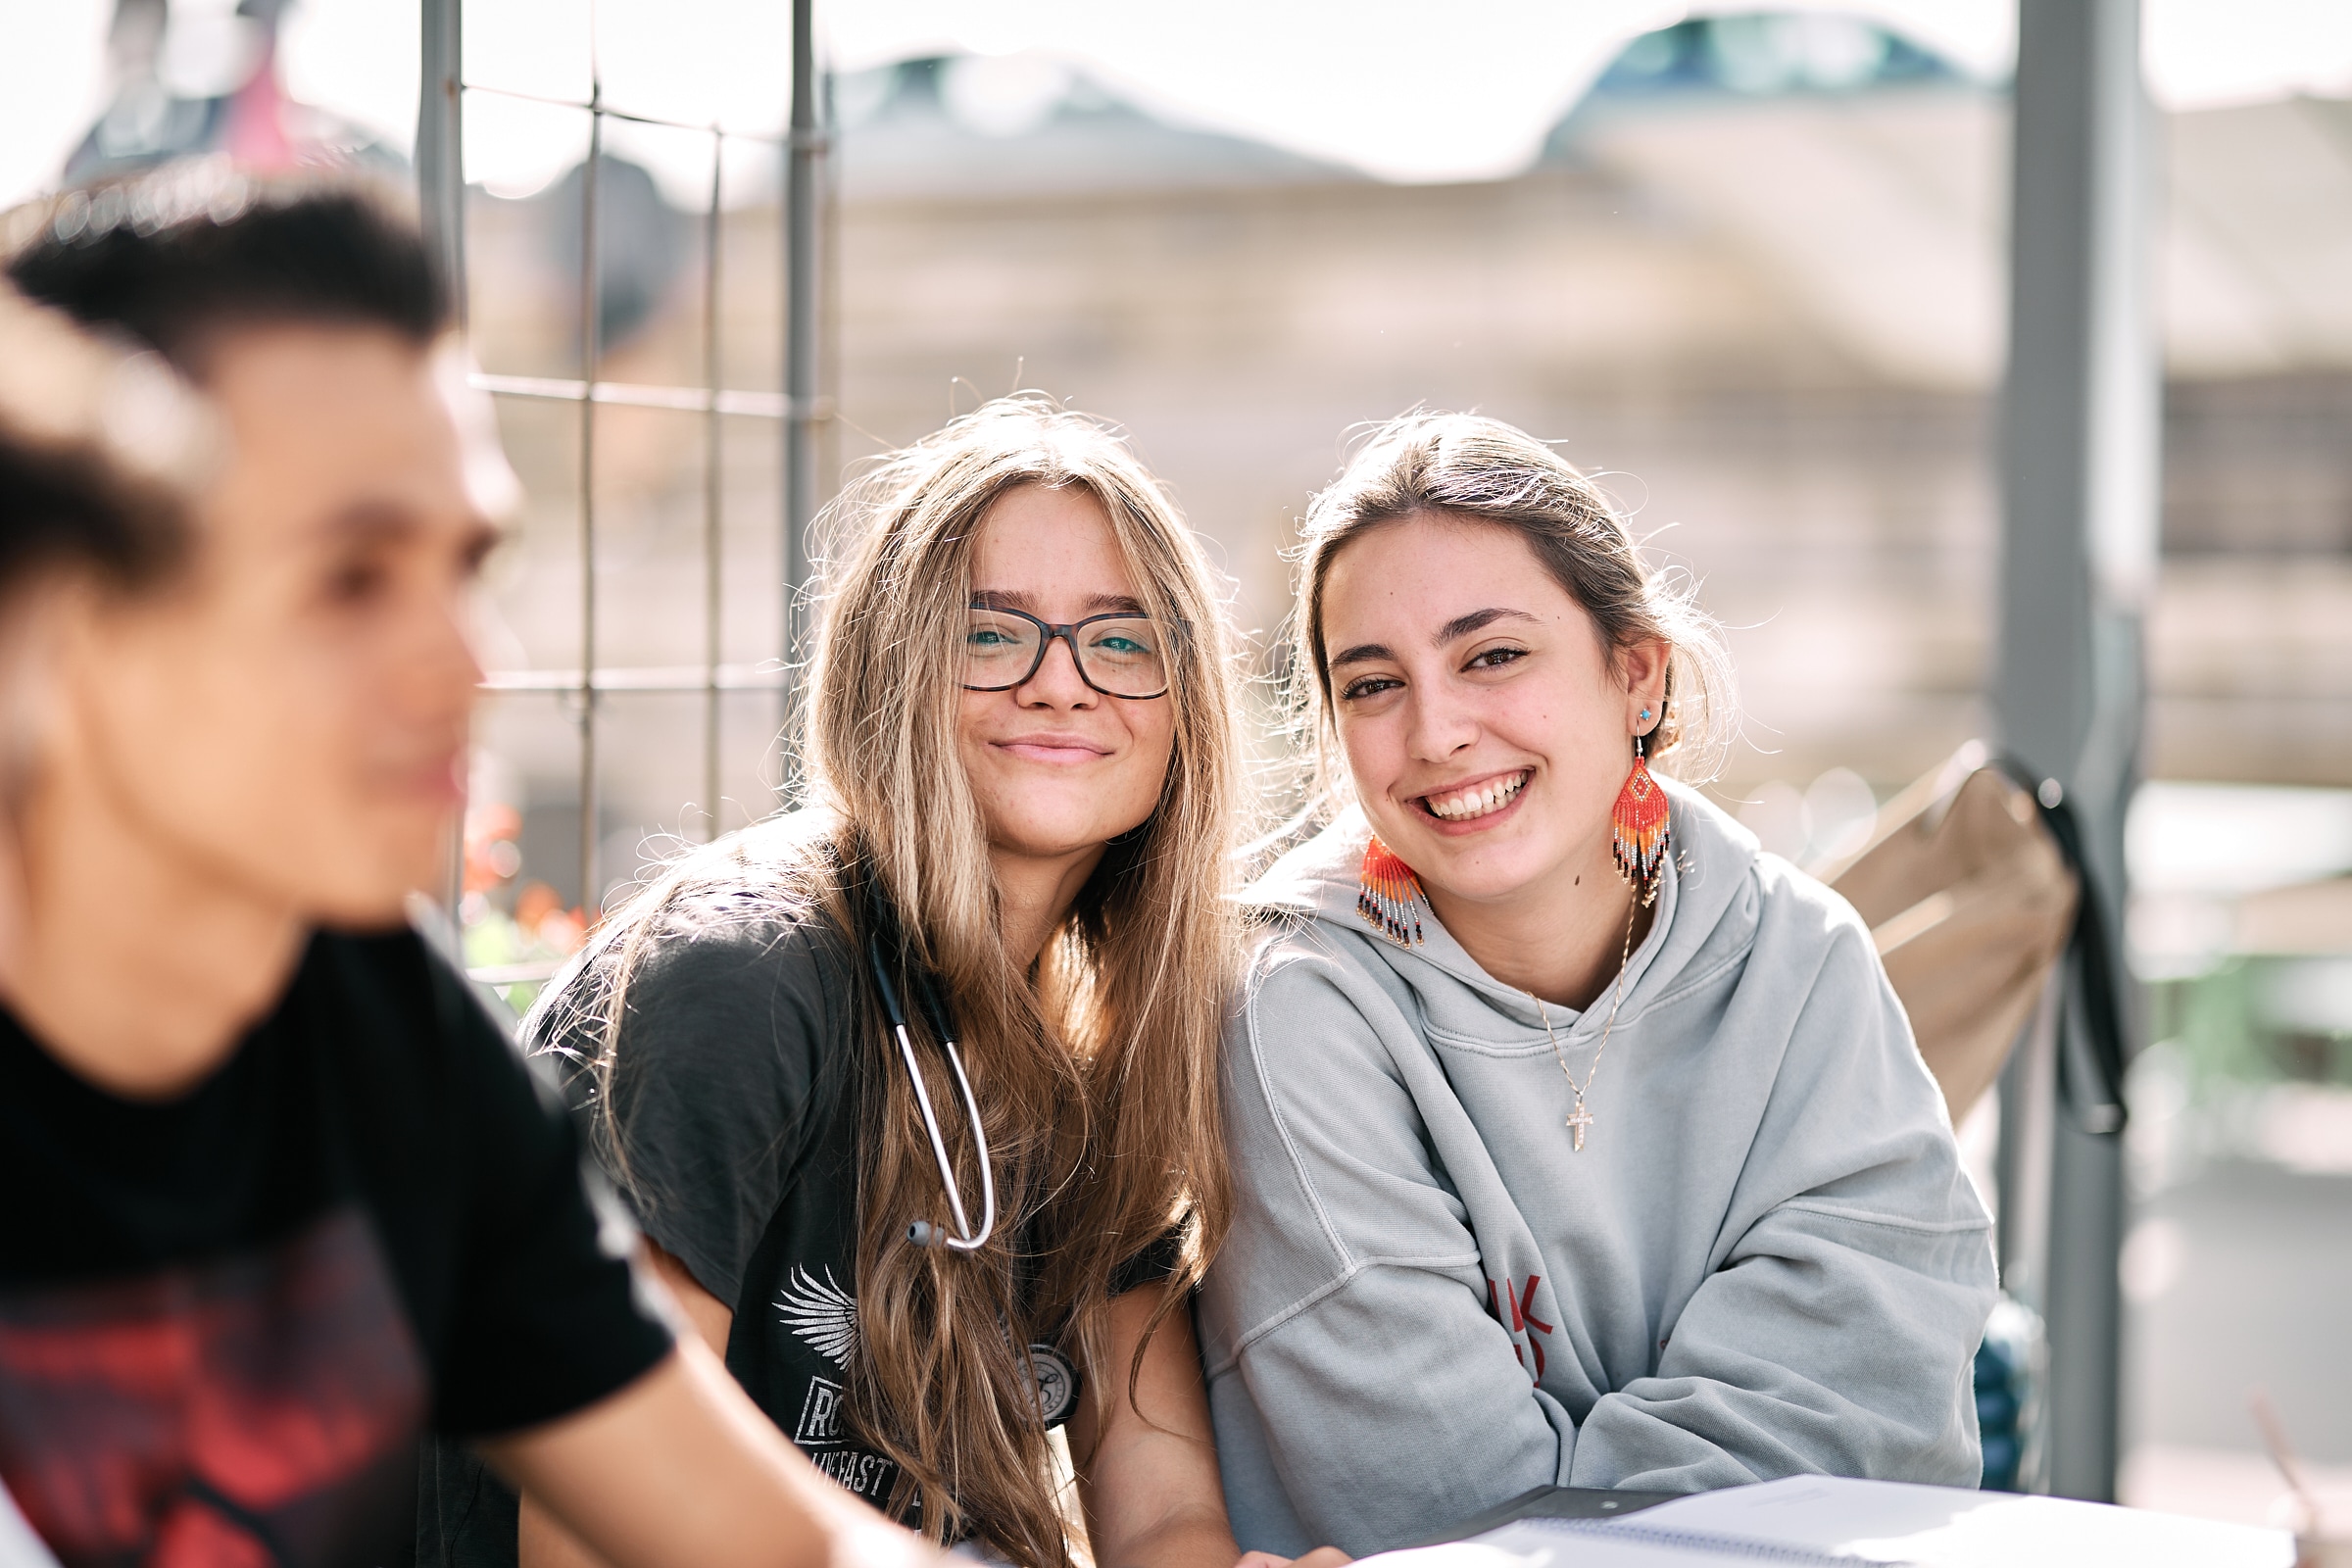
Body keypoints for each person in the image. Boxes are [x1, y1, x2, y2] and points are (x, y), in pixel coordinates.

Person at [0, 172, 932, 1568]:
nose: (472, 665)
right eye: (350, 578)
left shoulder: (371, 1021)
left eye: (466, 562)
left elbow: (770, 1543)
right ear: (52, 631)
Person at [445, 397, 1339, 1568]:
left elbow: (1161, 1499)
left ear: (1184, 716)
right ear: (890, 668)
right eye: (991, 633)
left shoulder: (1101, 1051)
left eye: (1121, 640)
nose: (1063, 683)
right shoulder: (743, 982)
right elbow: (591, 1537)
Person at [1199, 413, 1999, 1557]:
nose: (1435, 732)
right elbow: (1441, 1504)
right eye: (1373, 685)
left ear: (1636, 673)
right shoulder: (1286, 1012)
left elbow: (1882, 1426)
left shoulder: (1805, 961)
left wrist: (1574, 1499)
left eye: (1492, 655)